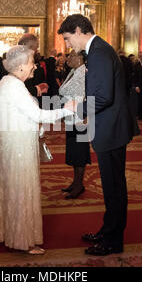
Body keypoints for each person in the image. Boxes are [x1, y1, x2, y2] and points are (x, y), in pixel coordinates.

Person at [58, 14, 138, 256]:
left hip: (111, 128)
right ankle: (108, 230)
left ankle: (113, 241)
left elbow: (103, 97)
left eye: (68, 38)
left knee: (114, 186)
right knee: (112, 186)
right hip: (108, 125)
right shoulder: (98, 50)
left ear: (80, 30)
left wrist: (79, 110)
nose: (67, 45)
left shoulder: (100, 52)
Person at [0, 45, 75, 255]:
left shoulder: (8, 82)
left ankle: (10, 233)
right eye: (31, 62)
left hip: (14, 143)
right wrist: (66, 110)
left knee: (14, 188)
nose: (35, 65)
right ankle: (24, 240)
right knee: (22, 189)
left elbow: (20, 113)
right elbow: (39, 115)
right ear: (20, 66)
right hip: (20, 147)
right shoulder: (15, 86)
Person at [59, 50, 90, 199]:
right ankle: (76, 182)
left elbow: (87, 95)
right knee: (73, 151)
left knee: (79, 152)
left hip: (80, 118)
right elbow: (64, 90)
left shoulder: (84, 72)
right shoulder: (73, 71)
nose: (68, 58)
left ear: (80, 58)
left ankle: (79, 185)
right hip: (71, 116)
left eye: (71, 55)